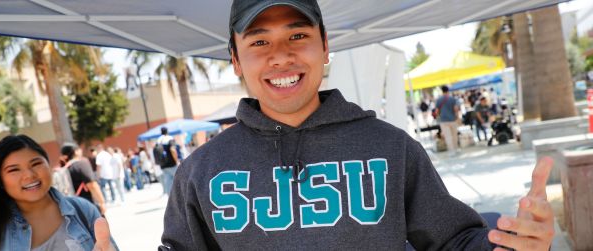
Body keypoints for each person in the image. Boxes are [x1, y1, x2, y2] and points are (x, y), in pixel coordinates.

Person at [155, 1, 555, 250]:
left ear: (325, 46)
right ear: (236, 59)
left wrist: (514, 243)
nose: (281, 56)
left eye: (298, 35)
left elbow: (453, 239)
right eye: (259, 42)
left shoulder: (391, 148)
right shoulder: (200, 172)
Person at [0, 135, 118, 251]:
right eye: (14, 170)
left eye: (36, 163)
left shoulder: (83, 210)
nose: (29, 175)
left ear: (49, 165)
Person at [60, 143, 107, 215]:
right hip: (89, 205)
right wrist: (102, 203)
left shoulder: (65, 168)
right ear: (75, 151)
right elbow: (92, 185)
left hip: (75, 207)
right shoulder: (81, 164)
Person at [435, 85, 461, 157]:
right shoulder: (452, 99)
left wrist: (439, 116)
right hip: (452, 119)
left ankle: (451, 151)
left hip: (443, 120)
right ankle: (456, 149)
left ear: (442, 91)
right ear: (448, 90)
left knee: (448, 136)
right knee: (454, 135)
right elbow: (456, 109)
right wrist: (457, 117)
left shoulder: (439, 99)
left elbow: (437, 111)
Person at [155, 127, 181, 196]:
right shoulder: (169, 138)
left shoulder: (158, 140)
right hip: (172, 164)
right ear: (167, 131)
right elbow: (172, 150)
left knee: (168, 182)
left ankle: (171, 199)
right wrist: (177, 160)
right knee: (179, 180)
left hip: (163, 165)